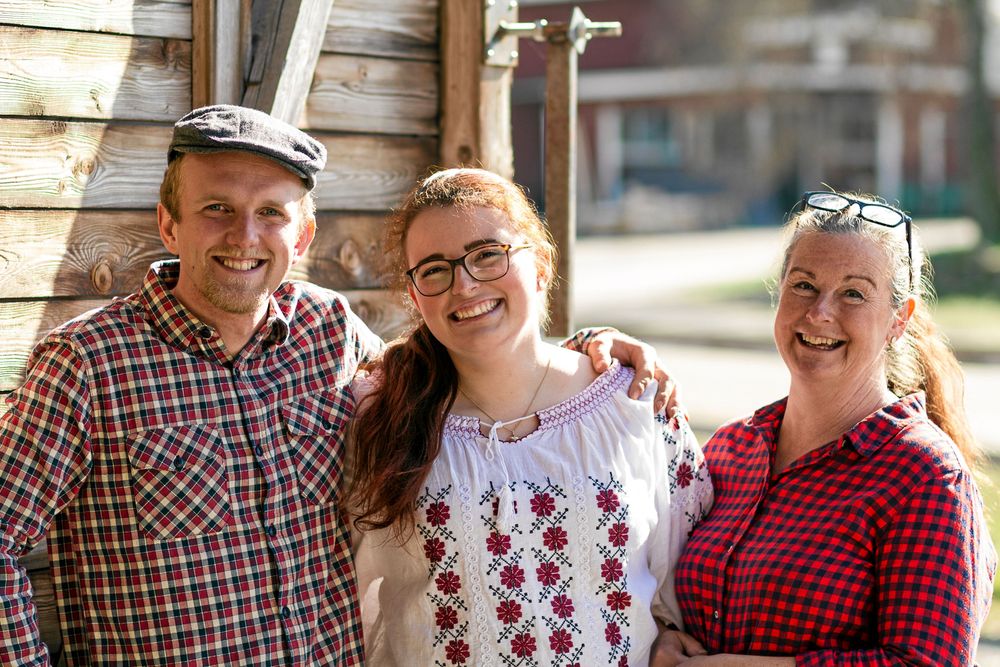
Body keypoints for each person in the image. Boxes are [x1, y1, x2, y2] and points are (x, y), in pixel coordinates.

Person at [0, 106, 672, 665]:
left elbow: (468, 355)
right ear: (169, 224)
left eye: (271, 212)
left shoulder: (330, 333)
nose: (244, 235)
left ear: (304, 236)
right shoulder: (87, 364)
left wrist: (587, 352)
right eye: (216, 208)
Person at [348, 167, 714, 666]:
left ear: (540, 264)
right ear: (415, 296)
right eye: (434, 269)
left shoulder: (633, 401)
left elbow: (690, 563)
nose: (464, 284)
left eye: (487, 254)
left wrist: (668, 630)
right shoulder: (379, 417)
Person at [673, 190, 996, 666]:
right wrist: (664, 634)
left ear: (899, 320)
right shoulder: (730, 449)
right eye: (804, 285)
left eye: (853, 293)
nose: (820, 312)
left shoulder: (924, 476)